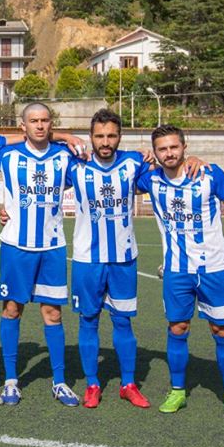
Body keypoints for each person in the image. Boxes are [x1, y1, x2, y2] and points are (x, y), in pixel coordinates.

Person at [137, 125, 224, 420]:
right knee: (178, 328)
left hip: (213, 269)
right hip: (176, 271)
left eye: (174, 147)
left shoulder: (209, 174)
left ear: (184, 147)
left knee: (221, 330)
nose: (169, 153)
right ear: (156, 153)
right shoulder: (150, 179)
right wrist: (140, 157)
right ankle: (177, 391)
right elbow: (117, 169)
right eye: (162, 149)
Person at [0, 102, 80, 407]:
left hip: (52, 247)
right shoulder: (6, 155)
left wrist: (67, 138)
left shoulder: (65, 157)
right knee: (12, 310)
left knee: (53, 313)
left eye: (45, 120)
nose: (40, 125)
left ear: (51, 123)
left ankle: (59, 382)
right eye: (34, 121)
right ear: (23, 126)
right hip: (16, 247)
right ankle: (11, 380)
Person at [66, 109, 152, 409]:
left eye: (111, 136)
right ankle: (92, 384)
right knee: (88, 320)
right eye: (100, 136)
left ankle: (128, 384)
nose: (105, 142)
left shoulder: (135, 162)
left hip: (123, 258)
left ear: (120, 137)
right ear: (91, 137)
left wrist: (193, 160)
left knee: (123, 321)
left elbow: (170, 171)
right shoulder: (75, 165)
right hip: (87, 259)